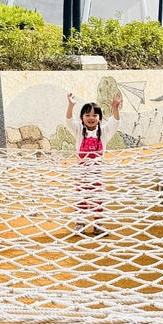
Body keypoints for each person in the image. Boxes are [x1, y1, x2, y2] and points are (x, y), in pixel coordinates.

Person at [65, 91, 121, 235]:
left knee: (98, 199)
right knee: (81, 198)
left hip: (97, 173)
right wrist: (71, 105)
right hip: (82, 173)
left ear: (100, 118)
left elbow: (115, 122)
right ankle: (80, 223)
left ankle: (98, 224)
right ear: (82, 118)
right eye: (87, 115)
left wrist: (115, 108)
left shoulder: (103, 132)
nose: (91, 118)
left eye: (95, 115)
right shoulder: (78, 130)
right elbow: (69, 120)